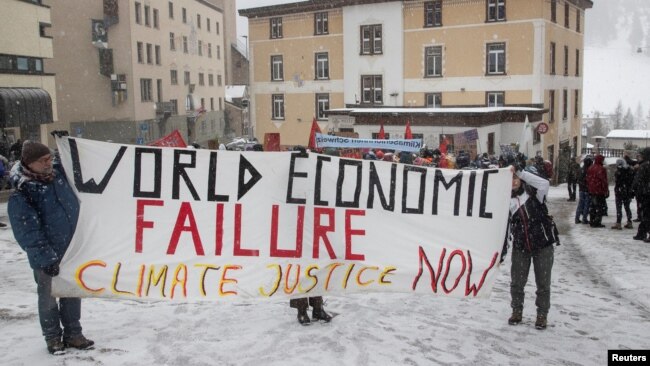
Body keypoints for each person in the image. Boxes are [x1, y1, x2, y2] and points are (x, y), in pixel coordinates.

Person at [7, 140, 94, 355]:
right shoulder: (23, 192)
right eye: (43, 160)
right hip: (46, 255)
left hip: (71, 250)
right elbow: (27, 231)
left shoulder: (58, 176)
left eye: (50, 158)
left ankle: (74, 333)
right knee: (48, 297)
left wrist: (67, 144)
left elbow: (79, 164)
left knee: (72, 292)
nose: (49, 163)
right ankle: (53, 337)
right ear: (29, 163)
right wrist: (46, 257)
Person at [502, 164, 558, 330]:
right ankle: (516, 311)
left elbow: (544, 184)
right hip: (521, 246)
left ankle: (542, 315)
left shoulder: (535, 194)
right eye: (510, 179)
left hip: (543, 245)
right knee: (517, 282)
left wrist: (519, 171)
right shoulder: (506, 201)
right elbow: (502, 228)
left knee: (543, 283)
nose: (513, 182)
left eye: (516, 178)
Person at [632, 148, 650, 242]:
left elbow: (637, 180)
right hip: (645, 192)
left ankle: (642, 233)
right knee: (646, 214)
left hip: (644, 193)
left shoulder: (643, 166)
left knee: (645, 214)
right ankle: (641, 233)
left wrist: (633, 190)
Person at [611, 158, 635, 230]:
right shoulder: (629, 171)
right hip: (627, 191)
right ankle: (629, 222)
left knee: (619, 208)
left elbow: (618, 182)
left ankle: (618, 223)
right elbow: (631, 181)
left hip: (620, 191)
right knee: (627, 207)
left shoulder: (618, 172)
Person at [586, 154, 608, 228]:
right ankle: (597, 222)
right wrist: (606, 190)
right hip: (599, 191)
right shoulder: (601, 169)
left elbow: (588, 179)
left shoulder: (590, 168)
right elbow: (604, 181)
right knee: (600, 207)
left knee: (592, 206)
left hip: (592, 190)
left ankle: (592, 221)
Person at [575, 156, 593, 224]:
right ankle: (584, 218)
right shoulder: (589, 170)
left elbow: (578, 179)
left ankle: (577, 218)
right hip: (587, 189)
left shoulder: (581, 169)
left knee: (580, 204)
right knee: (586, 205)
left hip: (581, 189)